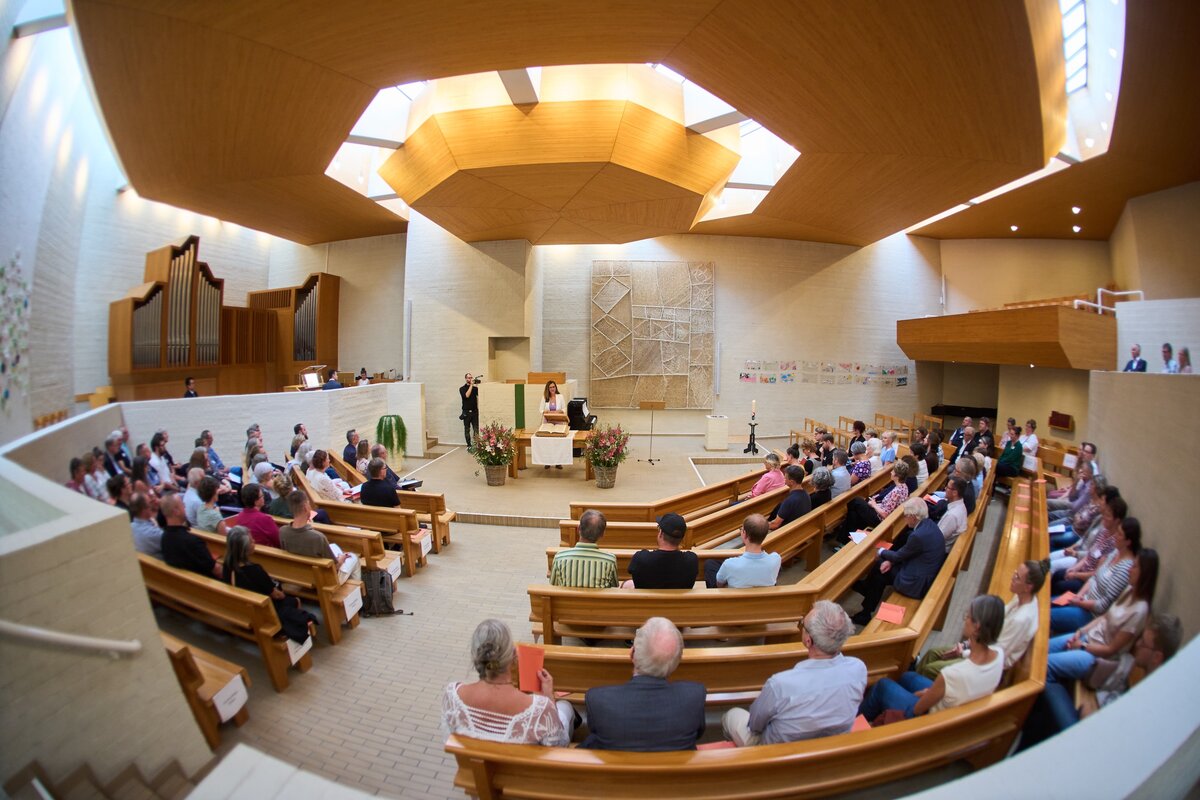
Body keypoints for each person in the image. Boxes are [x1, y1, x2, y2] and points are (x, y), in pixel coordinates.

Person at [1022, 612, 1182, 749]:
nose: (1138, 644)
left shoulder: (1151, 699)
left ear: (1157, 657)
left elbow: (1113, 740)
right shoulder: (1149, 678)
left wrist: (1091, 716)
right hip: (1095, 713)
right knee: (1042, 708)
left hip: (1086, 738)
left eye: (1144, 643)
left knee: (1045, 679)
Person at [722, 600, 866, 745]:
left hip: (777, 753)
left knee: (731, 715)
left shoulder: (780, 684)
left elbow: (754, 725)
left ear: (808, 640)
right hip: (832, 743)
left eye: (803, 624)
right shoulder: (858, 669)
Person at [859, 595, 1005, 721]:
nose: (965, 619)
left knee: (882, 685)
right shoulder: (999, 654)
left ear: (976, 627)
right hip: (956, 698)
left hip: (933, 716)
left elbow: (916, 711)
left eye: (968, 616)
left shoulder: (952, 674)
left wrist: (924, 695)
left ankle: (853, 726)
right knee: (907, 677)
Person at [579, 617, 706, 751]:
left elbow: (596, 734)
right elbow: (698, 734)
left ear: (632, 653)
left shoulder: (598, 700)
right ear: (676, 662)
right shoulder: (694, 697)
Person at [442, 619, 574, 746]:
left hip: (475, 768)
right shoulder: (541, 708)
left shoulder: (452, 695)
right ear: (514, 656)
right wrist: (549, 698)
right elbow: (559, 746)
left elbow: (449, 739)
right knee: (565, 707)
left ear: (475, 656)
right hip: (521, 769)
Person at [918, 559, 1047, 678]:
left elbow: (996, 654)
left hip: (984, 665)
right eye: (1015, 572)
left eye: (1017, 577)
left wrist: (963, 652)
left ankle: (920, 689)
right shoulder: (1021, 596)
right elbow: (993, 628)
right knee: (932, 653)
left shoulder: (1022, 619)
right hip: (981, 645)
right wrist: (966, 644)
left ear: (1028, 587)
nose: (1012, 578)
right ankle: (915, 678)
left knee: (930, 669)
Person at [1046, 549, 1159, 685]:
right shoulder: (1129, 589)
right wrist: (1080, 632)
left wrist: (1082, 646)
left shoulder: (1140, 610)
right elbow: (1104, 617)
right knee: (1042, 650)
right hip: (1088, 637)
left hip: (1096, 656)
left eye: (1134, 566)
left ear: (1145, 574)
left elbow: (1111, 650)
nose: (1130, 569)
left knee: (1047, 665)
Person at [852, 498, 943, 625]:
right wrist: (891, 561)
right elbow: (906, 553)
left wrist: (881, 551)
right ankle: (867, 592)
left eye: (905, 516)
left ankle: (866, 611)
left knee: (880, 568)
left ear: (913, 517)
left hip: (915, 582)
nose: (904, 519)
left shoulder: (918, 535)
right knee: (883, 566)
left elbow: (900, 555)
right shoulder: (929, 525)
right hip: (922, 569)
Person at [223, 527, 317, 642]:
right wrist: (280, 591)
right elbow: (277, 595)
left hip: (243, 606)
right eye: (252, 541)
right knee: (294, 600)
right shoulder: (255, 570)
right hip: (263, 612)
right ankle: (296, 635)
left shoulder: (227, 566)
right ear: (245, 549)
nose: (254, 542)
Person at [1050, 517, 1140, 635]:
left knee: (1047, 615)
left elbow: (1103, 605)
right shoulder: (1115, 553)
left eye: (1119, 534)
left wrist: (1079, 602)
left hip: (1089, 613)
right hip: (1082, 598)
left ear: (1128, 542)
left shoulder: (1125, 569)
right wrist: (1079, 595)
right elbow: (1094, 577)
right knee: (1047, 603)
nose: (1115, 536)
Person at [281, 491, 357, 582]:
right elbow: (335, 566)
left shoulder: (283, 531)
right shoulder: (317, 537)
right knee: (353, 557)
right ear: (305, 507)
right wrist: (342, 558)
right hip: (322, 579)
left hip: (299, 575)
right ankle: (356, 592)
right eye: (309, 503)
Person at [704, 514, 780, 588]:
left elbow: (719, 585)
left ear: (744, 534)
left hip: (735, 600)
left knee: (710, 563)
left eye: (742, 529)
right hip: (762, 599)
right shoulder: (776, 559)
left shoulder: (729, 564)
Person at [624, 513, 697, 589]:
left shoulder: (641, 558)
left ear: (661, 533)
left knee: (626, 584)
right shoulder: (691, 560)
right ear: (682, 538)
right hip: (679, 601)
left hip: (647, 600)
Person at [161, 494, 222, 579]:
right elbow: (216, 570)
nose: (185, 507)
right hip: (204, 585)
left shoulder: (164, 538)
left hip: (180, 583)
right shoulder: (192, 542)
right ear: (176, 511)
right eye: (183, 505)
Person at [225, 483, 281, 548]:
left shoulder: (239, 516)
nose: (264, 498)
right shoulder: (265, 519)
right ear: (256, 502)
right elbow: (278, 541)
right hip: (265, 554)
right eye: (262, 496)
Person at [768, 465, 812, 530]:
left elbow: (775, 525)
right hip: (801, 529)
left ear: (791, 482)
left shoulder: (789, 501)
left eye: (785, 478)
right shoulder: (806, 494)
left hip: (789, 532)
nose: (784, 479)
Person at [936, 477, 969, 553]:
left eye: (947, 487)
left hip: (940, 550)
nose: (945, 488)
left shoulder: (952, 516)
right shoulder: (960, 504)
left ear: (955, 493)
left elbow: (938, 538)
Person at [129, 491, 163, 558]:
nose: (151, 506)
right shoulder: (154, 533)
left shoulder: (129, 527)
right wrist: (157, 525)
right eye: (150, 504)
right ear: (144, 510)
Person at [460, 372, 480, 446]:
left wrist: (478, 386)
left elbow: (481, 395)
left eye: (471, 377)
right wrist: (471, 385)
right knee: (467, 430)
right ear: (466, 379)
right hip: (466, 413)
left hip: (475, 412)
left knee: (476, 429)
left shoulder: (475, 388)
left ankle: (476, 445)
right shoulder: (462, 389)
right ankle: (469, 445)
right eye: (468, 378)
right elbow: (466, 396)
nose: (470, 379)